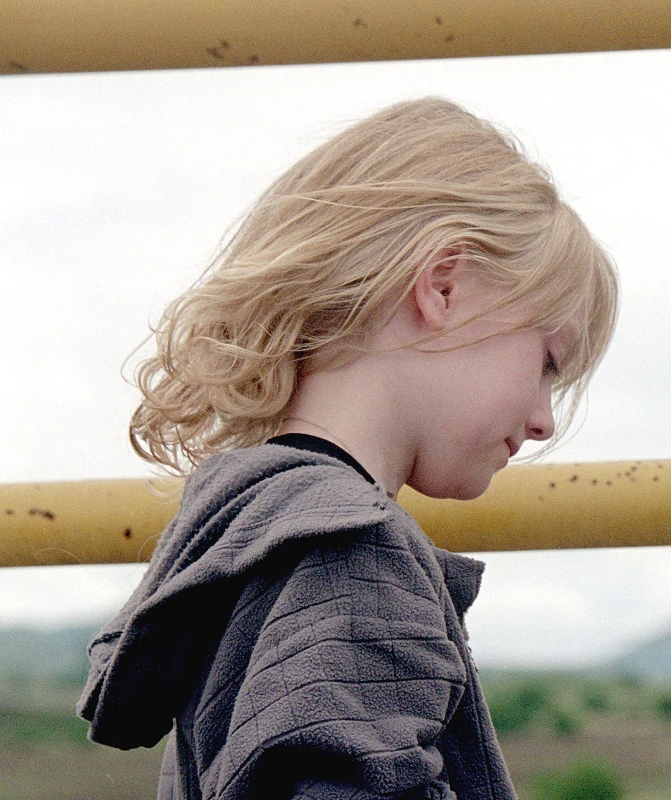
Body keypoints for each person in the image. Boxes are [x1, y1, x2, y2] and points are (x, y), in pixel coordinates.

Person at [79, 97, 618, 800]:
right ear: (444, 285)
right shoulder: (353, 554)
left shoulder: (245, 528)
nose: (545, 419)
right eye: (549, 359)